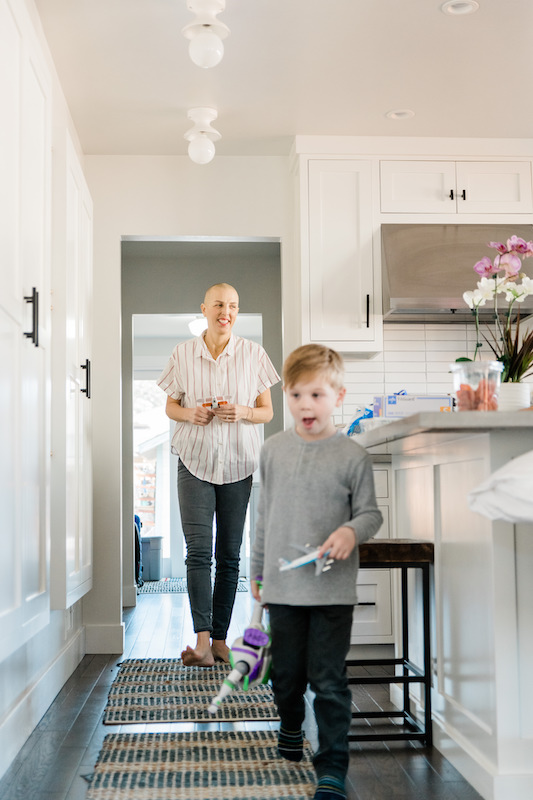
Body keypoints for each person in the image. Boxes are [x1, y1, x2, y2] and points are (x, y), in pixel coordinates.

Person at [250, 344, 382, 800]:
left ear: (338, 396)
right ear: (285, 395)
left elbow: (370, 514)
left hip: (332, 592)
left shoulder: (352, 456)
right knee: (286, 675)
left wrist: (350, 530)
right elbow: (263, 517)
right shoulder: (273, 451)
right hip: (283, 588)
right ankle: (290, 725)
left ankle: (331, 768)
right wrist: (257, 572)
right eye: (296, 395)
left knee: (328, 681)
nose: (306, 405)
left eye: (317, 395)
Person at [157, 283, 280, 667]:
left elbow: (267, 412)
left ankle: (221, 641)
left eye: (233, 306)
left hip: (238, 464)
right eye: (219, 305)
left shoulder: (254, 355)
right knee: (198, 552)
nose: (226, 312)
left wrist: (243, 411)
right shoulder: (182, 354)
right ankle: (202, 642)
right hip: (194, 460)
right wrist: (189, 413)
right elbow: (170, 406)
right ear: (205, 309)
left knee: (229, 555)